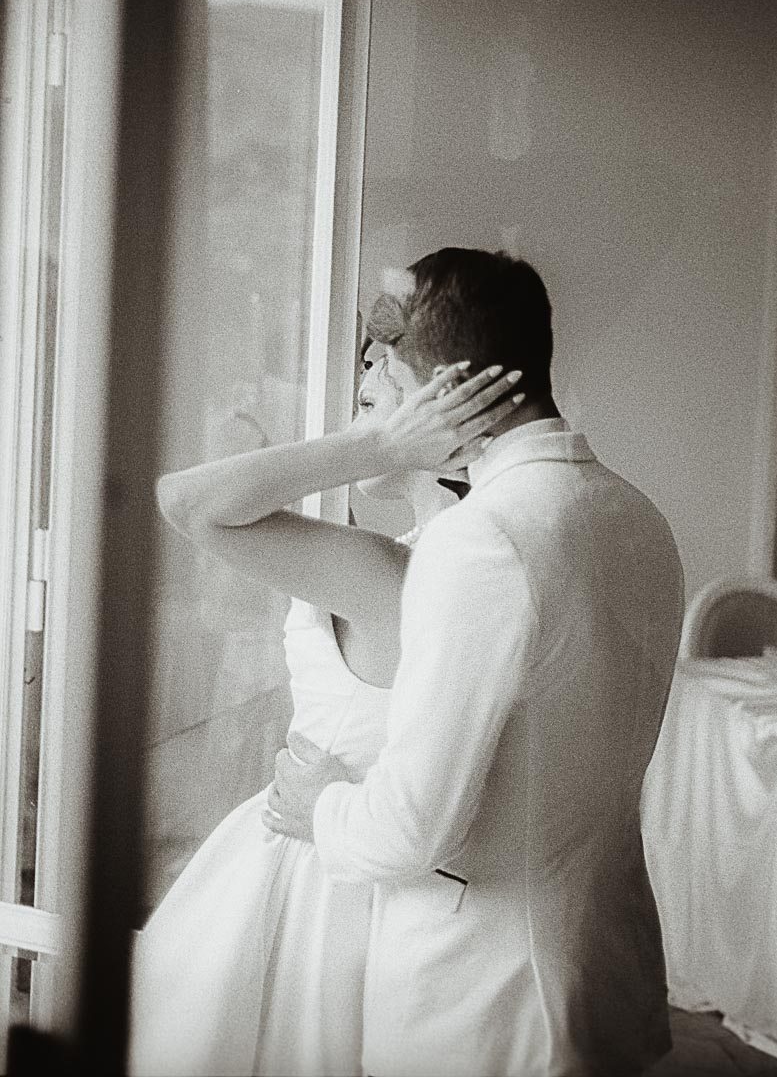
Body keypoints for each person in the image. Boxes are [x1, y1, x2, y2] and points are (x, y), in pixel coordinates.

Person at [267, 247, 686, 1077]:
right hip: (608, 963)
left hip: (485, 1002)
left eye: (392, 378)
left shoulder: (480, 540)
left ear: (448, 391)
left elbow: (411, 828)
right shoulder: (640, 515)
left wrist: (319, 807)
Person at [128, 333, 518, 1076]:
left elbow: (185, 501)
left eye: (384, 371)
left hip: (321, 879)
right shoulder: (422, 558)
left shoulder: (395, 571)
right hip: (329, 851)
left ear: (444, 408)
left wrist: (374, 446)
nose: (365, 372)